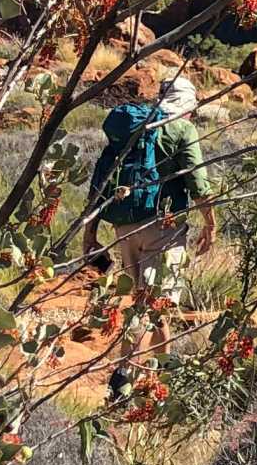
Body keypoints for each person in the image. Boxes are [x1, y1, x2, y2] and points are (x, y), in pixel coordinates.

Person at [87, 68, 216, 400]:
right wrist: (210, 224)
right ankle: (122, 375)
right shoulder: (181, 128)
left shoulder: (135, 128)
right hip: (161, 227)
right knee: (148, 306)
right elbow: (198, 183)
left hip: (124, 227)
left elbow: (101, 179)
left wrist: (90, 235)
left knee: (151, 305)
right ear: (187, 106)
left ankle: (162, 379)